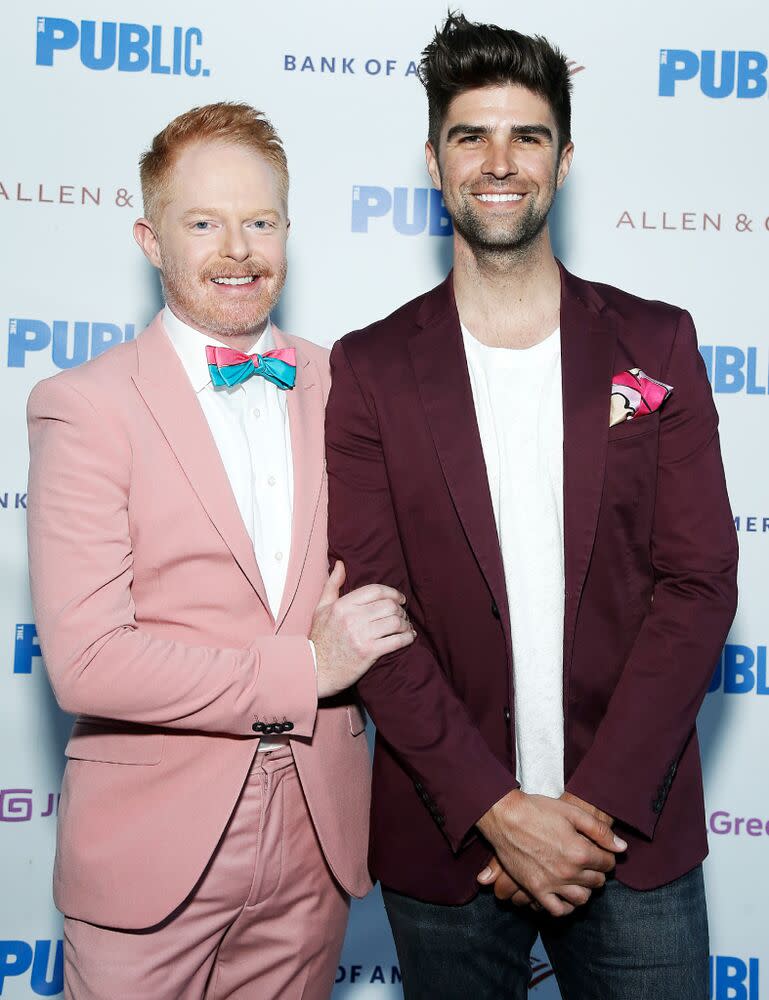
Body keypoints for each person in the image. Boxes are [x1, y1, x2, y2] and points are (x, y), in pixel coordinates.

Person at [325, 14, 737, 999]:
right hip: (450, 844)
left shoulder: (657, 343)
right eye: (471, 135)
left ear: (563, 159)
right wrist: (497, 809)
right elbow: (372, 614)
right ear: (433, 160)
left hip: (625, 837)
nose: (499, 161)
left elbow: (698, 582)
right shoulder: (371, 367)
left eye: (528, 136)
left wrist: (578, 819)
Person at [26, 101, 414, 1000]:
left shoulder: (345, 384)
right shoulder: (84, 406)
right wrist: (306, 668)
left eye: (259, 222)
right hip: (148, 850)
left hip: (317, 837)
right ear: (151, 240)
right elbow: (87, 664)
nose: (236, 249)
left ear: (288, 230)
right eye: (203, 222)